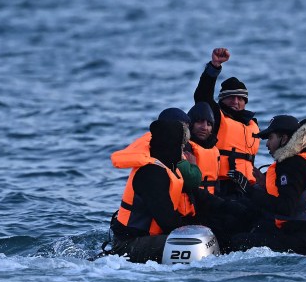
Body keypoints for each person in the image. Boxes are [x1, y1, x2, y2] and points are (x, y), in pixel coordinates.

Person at [228, 116, 306, 257]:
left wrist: (248, 189)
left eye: (270, 138)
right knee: (259, 225)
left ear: (283, 139)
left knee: (237, 241)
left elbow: (285, 208)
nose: (267, 144)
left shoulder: (291, 164)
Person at [105, 119, 191, 263]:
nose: (183, 150)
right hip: (128, 244)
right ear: (173, 145)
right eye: (182, 145)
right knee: (188, 244)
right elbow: (166, 219)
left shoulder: (167, 167)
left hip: (146, 238)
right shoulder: (151, 173)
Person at [193, 48, 260, 187]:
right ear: (222, 99)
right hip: (221, 185)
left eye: (240, 98)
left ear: (245, 102)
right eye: (230, 97)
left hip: (247, 186)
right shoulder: (215, 116)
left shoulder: (252, 124)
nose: (235, 101)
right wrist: (214, 67)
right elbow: (202, 96)